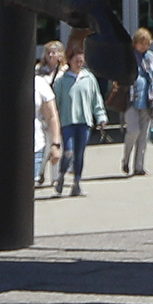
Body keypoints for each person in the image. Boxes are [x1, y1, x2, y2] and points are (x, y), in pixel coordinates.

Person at [51, 42, 106, 196]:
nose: (79, 64)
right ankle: (61, 175)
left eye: (81, 61)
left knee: (80, 153)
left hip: (84, 122)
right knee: (68, 151)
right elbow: (54, 103)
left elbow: (96, 100)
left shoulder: (89, 78)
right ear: (70, 61)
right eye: (76, 61)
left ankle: (77, 183)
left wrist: (100, 116)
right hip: (68, 122)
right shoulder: (62, 81)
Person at [120, 29, 153, 177]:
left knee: (143, 136)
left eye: (146, 43)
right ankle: (126, 159)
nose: (143, 46)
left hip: (148, 100)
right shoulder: (129, 57)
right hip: (131, 100)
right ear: (135, 43)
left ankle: (139, 167)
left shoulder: (151, 57)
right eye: (140, 43)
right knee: (133, 131)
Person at [35, 39, 67, 188]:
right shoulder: (39, 71)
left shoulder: (65, 72)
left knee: (56, 145)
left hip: (60, 111)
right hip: (44, 113)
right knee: (45, 145)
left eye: (54, 52)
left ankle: (55, 177)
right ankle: (39, 172)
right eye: (48, 52)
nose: (50, 55)